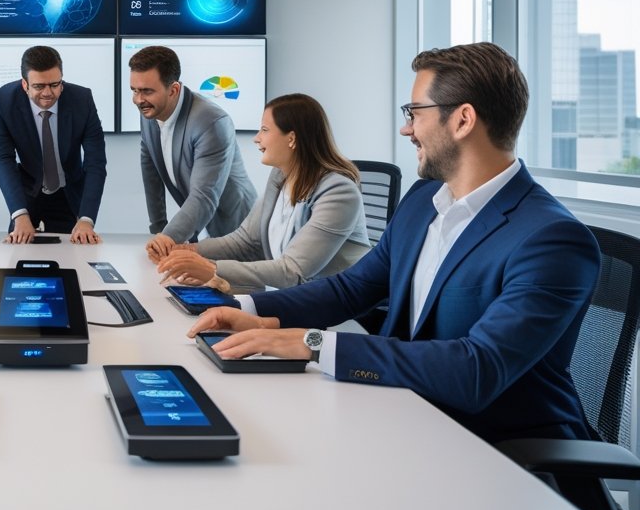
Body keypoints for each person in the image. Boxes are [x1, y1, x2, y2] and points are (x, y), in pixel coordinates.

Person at [187, 42, 600, 445]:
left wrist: (312, 343)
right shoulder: (424, 201)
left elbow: (478, 370)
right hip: (403, 415)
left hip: (500, 453)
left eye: (414, 112)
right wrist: (244, 309)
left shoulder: (550, 239)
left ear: (463, 120)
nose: (406, 128)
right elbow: (352, 289)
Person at [156, 93, 370, 291]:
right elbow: (245, 242)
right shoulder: (280, 176)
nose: (256, 138)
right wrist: (184, 251)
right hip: (297, 298)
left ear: (292, 138)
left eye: (265, 130)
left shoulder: (339, 193)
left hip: (342, 309)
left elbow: (293, 271)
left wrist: (211, 269)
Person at [128, 45, 257, 259]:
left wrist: (168, 238)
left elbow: (204, 195)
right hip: (194, 228)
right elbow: (150, 171)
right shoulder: (150, 111)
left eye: (147, 91)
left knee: (234, 292)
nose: (138, 99)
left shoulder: (211, 121)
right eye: (134, 90)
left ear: (174, 90)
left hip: (233, 230)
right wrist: (159, 228)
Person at [0, 45, 107, 244]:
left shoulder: (82, 100)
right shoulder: (4, 100)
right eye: (39, 86)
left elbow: (95, 162)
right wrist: (19, 214)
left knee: (74, 259)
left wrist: (86, 218)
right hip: (26, 192)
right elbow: (3, 159)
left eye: (54, 84)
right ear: (24, 85)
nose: (47, 93)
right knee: (17, 255)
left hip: (68, 193)